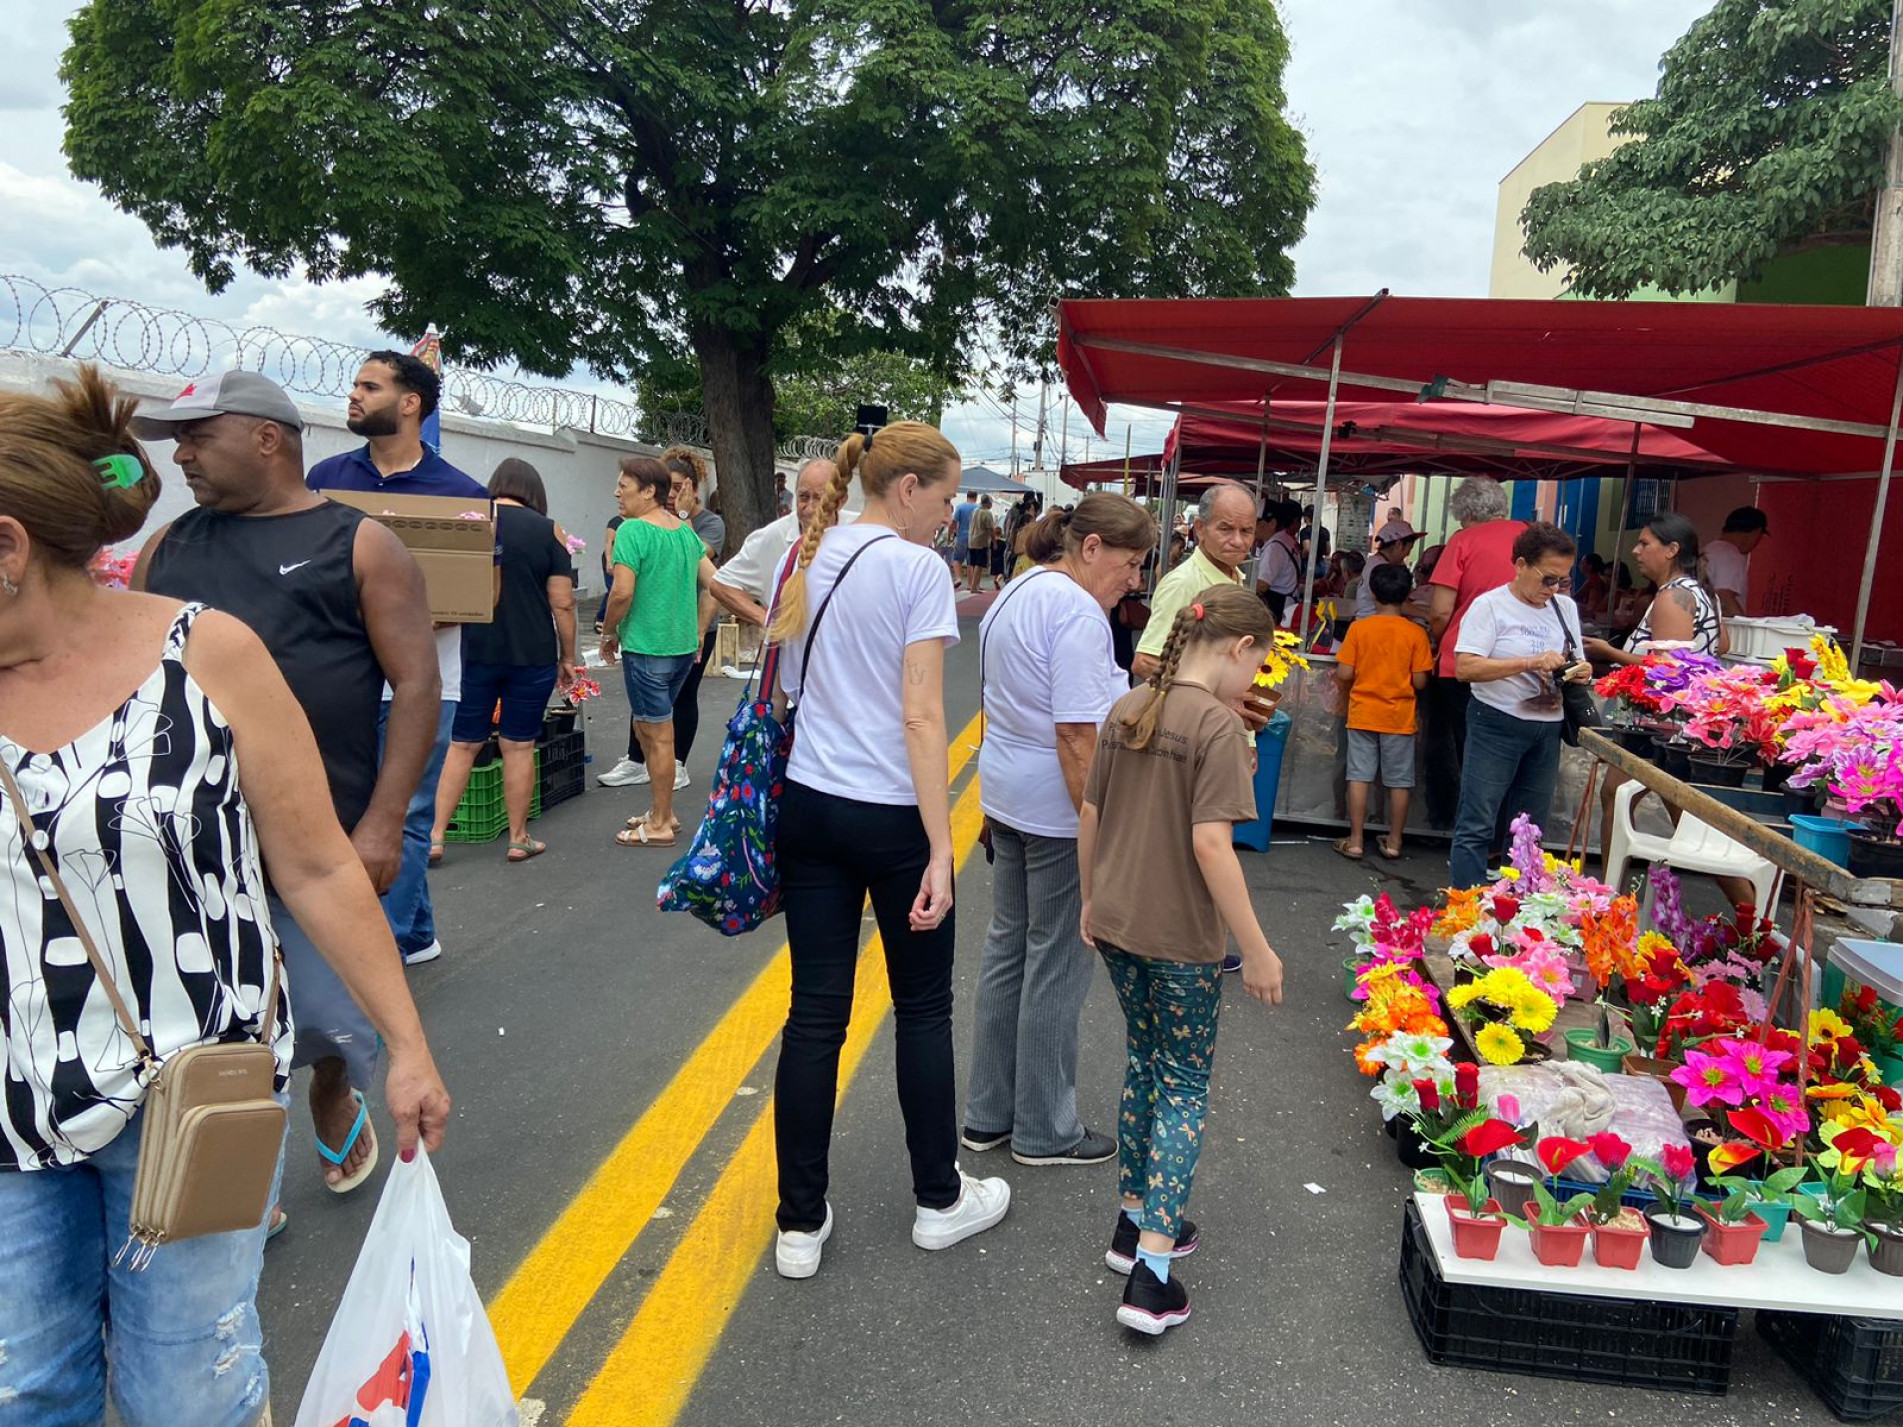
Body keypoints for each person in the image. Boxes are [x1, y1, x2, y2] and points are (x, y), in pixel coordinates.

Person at [2, 368, 450, 1424]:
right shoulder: (177, 541)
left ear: (10, 545)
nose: (191, 455)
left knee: (184, 1391)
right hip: (12, 1101)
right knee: (24, 1388)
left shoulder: (207, 650)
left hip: (193, 1087)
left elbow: (317, 864)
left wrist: (407, 1044)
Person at [132, 371, 441, 1210]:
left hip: (321, 840)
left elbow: (414, 685)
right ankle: (244, 1178)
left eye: (199, 436)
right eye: (177, 440)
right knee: (211, 1021)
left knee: (331, 1014)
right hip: (193, 843)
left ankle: (332, 1090)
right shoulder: (169, 548)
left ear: (267, 438)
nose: (183, 454)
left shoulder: (362, 544)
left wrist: (382, 825)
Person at [767, 421, 1008, 1280]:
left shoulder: (806, 554)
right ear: (905, 489)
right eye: (944, 499)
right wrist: (942, 848)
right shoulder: (915, 570)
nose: (949, 516)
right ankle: (937, 1199)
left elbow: (790, 685)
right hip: (890, 814)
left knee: (813, 1014)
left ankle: (799, 1223)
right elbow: (919, 714)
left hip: (809, 803)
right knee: (922, 1009)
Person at [1078, 583, 1285, 1335]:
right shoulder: (1217, 727)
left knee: (1143, 1061)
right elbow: (1210, 843)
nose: (1254, 681)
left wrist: (1088, 898)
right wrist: (1255, 947)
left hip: (1119, 918)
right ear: (1237, 648)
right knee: (1185, 1084)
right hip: (1181, 937)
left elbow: (1092, 812)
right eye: (1257, 666)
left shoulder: (1128, 707)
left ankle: (1133, 1223)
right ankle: (1152, 1272)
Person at [962, 494, 1154, 1170]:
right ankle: (1044, 1126)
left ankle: (989, 1112)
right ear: (1092, 547)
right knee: (1056, 966)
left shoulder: (1022, 587)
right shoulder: (1076, 612)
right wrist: (1094, 834)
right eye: (1130, 564)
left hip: (1010, 792)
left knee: (1008, 950)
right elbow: (1076, 734)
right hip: (1053, 806)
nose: (1134, 579)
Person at [306, 350, 492, 971]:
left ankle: (377, 948)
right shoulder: (327, 481)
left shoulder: (461, 493)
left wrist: (417, 617)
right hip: (339, 681)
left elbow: (480, 591)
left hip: (424, 685)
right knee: (346, 810)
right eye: (355, 384)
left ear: (410, 403)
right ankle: (414, 933)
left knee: (406, 812)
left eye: (369, 386)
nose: (353, 395)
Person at [431, 459, 576, 863]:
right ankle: (518, 837)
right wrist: (568, 656)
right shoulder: (550, 531)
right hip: (531, 654)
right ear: (535, 492)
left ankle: (436, 835)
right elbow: (562, 603)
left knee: (462, 745)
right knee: (518, 745)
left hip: (474, 650)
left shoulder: (475, 522)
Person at [1447, 522, 1593, 889]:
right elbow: (1465, 668)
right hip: (1495, 722)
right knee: (1478, 820)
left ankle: (1522, 909)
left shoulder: (1565, 608)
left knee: (1531, 828)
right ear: (1521, 565)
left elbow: (1571, 656)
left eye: (1563, 580)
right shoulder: (1490, 606)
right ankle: (1465, 904)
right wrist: (1527, 662)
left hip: (1547, 729)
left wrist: (1580, 670)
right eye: (1548, 579)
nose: (1554, 589)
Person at [600, 456, 719, 848]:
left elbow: (622, 592)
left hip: (647, 647)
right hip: (681, 648)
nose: (617, 492)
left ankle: (662, 821)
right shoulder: (684, 532)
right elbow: (716, 584)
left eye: (624, 486)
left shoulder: (632, 531)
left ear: (649, 491)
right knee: (650, 729)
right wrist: (700, 628)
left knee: (657, 733)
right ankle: (659, 811)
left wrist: (609, 632)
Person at [1423, 476, 1527, 830]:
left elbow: (1439, 611)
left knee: (1460, 749)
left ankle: (1458, 827)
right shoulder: (1534, 537)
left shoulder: (1463, 541)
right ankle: (1509, 839)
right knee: (1512, 754)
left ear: (1467, 514)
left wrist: (1439, 638)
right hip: (1524, 664)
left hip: (1463, 663)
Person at [1333, 562, 1432, 861]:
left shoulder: (1359, 629)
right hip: (1399, 717)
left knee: (1359, 776)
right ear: (1408, 595)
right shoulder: (1416, 634)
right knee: (1399, 781)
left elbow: (1345, 672)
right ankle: (1394, 841)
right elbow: (1420, 681)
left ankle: (1356, 840)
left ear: (1373, 594)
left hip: (1363, 712)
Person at [1133, 484, 1255, 683]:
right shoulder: (1184, 583)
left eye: (1246, 531)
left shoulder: (1234, 576)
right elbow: (1145, 662)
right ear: (1200, 529)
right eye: (1226, 529)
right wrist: (1210, 695)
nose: (1237, 541)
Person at [1584, 512, 1724, 666]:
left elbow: (1667, 666)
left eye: (1644, 544)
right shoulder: (1701, 591)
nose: (1636, 550)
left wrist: (1609, 652)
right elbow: (1722, 645)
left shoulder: (1673, 597)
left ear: (1671, 550)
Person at [1703, 505, 1767, 618]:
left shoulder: (1710, 549)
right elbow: (1724, 594)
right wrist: (1746, 627)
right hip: (1718, 628)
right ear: (1756, 533)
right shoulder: (1731, 554)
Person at [1254, 499, 1303, 622]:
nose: (1253, 526)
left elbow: (1262, 585)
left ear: (1272, 523)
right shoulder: (1286, 539)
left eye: (1257, 522)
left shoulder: (1274, 547)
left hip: (1278, 606)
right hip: (1286, 602)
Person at [1353, 527, 1415, 621]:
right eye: (1408, 549)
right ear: (1398, 544)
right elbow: (1393, 605)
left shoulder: (1381, 563)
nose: (1407, 554)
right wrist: (1427, 614)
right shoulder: (1379, 568)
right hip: (1372, 624)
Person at [967, 493, 998, 594]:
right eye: (991, 502)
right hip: (981, 541)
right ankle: (974, 587)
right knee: (979, 564)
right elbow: (991, 529)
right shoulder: (987, 513)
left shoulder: (975, 511)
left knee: (974, 563)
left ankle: (976, 585)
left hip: (971, 540)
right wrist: (994, 542)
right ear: (988, 503)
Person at [951, 489, 978, 585]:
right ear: (976, 497)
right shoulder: (978, 508)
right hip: (974, 537)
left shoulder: (960, 507)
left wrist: (950, 535)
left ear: (967, 496)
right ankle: (971, 584)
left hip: (961, 536)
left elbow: (954, 522)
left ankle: (958, 578)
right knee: (971, 562)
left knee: (957, 559)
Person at [1575, 552, 1611, 621]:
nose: (1579, 565)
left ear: (1590, 566)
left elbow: (1591, 606)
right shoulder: (1592, 579)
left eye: (1582, 562)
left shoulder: (1593, 581)